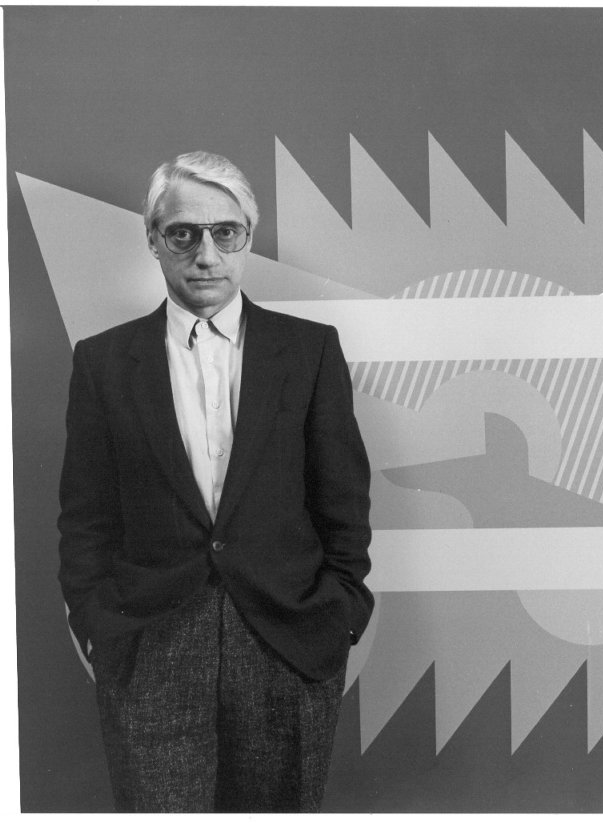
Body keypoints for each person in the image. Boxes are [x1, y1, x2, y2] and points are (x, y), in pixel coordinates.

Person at [56, 151, 373, 812]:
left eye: (225, 233)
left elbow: (343, 498)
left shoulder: (310, 350)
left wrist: (340, 611)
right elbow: (86, 513)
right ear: (153, 239)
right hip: (149, 640)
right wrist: (93, 621)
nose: (206, 255)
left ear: (247, 238)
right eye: (183, 234)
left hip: (288, 636)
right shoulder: (103, 362)